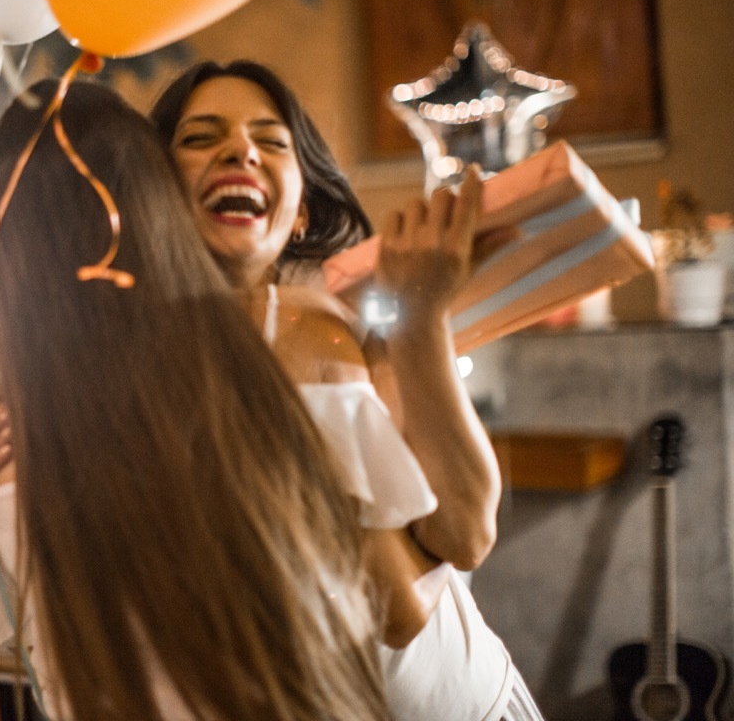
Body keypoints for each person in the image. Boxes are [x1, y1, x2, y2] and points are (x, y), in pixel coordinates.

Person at [0, 80, 391, 720]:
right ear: (157, 205)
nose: (238, 155)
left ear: (4, 249)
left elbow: (30, 632)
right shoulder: (263, 354)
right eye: (199, 140)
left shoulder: (7, 421)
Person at [150, 60, 539, 720]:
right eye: (199, 138)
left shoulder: (336, 330)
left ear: (300, 212)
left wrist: (421, 323)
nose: (240, 150)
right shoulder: (119, 366)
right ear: (150, 192)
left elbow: (465, 532)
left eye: (270, 141)